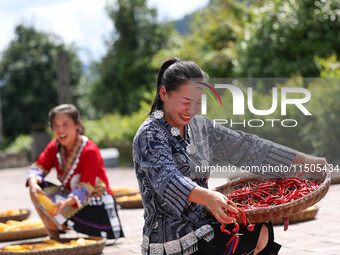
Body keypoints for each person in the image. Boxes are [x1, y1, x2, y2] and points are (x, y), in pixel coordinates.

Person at [132, 57, 328, 255]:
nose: (192, 110)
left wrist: (305, 161)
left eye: (198, 102)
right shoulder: (150, 134)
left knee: (260, 229)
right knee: (249, 236)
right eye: (186, 102)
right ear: (164, 93)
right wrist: (208, 197)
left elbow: (248, 146)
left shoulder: (201, 127)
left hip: (204, 221)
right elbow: (167, 179)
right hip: (172, 238)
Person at [26, 104, 124, 240]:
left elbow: (85, 187)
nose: (60, 130)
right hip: (69, 196)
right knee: (37, 189)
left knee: (94, 241)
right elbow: (39, 167)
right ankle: (55, 236)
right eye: (56, 125)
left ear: (77, 125)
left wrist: (65, 203)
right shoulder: (54, 147)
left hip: (95, 200)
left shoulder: (89, 150)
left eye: (65, 124)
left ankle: (78, 228)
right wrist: (33, 184)